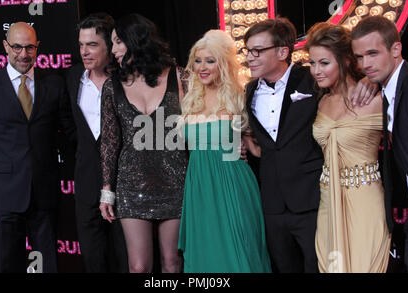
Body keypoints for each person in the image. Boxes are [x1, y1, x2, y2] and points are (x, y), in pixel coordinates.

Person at [243, 18, 377, 273]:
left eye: (258, 50)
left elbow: (344, 84)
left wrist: (368, 82)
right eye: (248, 50)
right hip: (271, 203)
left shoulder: (312, 78)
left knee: (319, 267)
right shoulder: (249, 91)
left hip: (313, 199)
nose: (250, 57)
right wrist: (244, 140)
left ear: (283, 51)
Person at [0, 22, 75, 273]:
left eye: (29, 48)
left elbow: (70, 134)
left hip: (45, 195)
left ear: (38, 48)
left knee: (49, 265)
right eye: (17, 47)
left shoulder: (54, 85)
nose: (24, 54)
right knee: (7, 265)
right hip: (3, 196)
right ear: (6, 47)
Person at [99, 14, 188, 273]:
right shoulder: (112, 86)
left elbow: (202, 124)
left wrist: (236, 140)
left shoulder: (181, 77)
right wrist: (107, 189)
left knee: (172, 263)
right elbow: (109, 141)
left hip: (176, 182)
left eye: (118, 42)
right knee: (138, 267)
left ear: (136, 41)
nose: (113, 49)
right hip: (131, 185)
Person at [176, 29, 271, 273]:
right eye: (198, 60)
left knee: (240, 257)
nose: (202, 67)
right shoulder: (189, 101)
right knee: (205, 261)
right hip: (199, 190)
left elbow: (259, 148)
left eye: (210, 60)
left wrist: (245, 145)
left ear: (224, 64)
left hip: (233, 187)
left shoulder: (241, 97)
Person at [306, 22, 391, 273]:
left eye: (324, 63)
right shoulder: (320, 102)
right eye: (312, 63)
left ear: (344, 60)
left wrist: (373, 80)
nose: (316, 71)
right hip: (328, 200)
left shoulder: (376, 99)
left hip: (365, 199)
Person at [65, 13, 128, 273]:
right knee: (93, 261)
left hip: (125, 186)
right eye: (81, 45)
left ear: (109, 47)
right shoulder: (72, 78)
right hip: (87, 185)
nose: (84, 52)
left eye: (92, 45)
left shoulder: (127, 79)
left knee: (128, 261)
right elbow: (69, 127)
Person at [351, 16, 408, 273]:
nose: (366, 64)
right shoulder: (385, 88)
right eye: (360, 57)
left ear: (396, 49)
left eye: (373, 54)